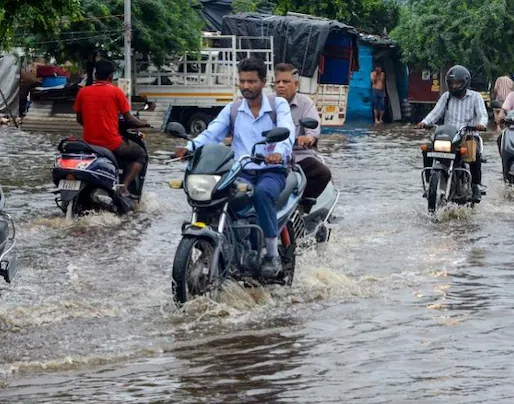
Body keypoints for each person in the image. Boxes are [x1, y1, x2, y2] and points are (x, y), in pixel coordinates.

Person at [174, 57, 296, 278]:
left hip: (271, 170)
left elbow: (287, 131)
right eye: (242, 81)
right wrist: (189, 147)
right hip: (241, 170)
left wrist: (278, 152)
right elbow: (212, 133)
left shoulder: (279, 105)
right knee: (216, 195)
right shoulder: (234, 109)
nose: (246, 86)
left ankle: (270, 255)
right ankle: (225, 243)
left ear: (263, 82)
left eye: (252, 82)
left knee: (261, 193)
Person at [73, 59, 150, 202]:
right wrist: (144, 124)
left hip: (89, 143)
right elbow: (130, 120)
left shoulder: (83, 92)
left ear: (95, 75)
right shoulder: (116, 92)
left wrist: (93, 125)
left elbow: (79, 119)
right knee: (140, 154)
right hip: (111, 143)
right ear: (111, 76)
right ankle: (124, 186)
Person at [416, 65, 489, 202]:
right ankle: (429, 182)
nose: (454, 86)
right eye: (452, 83)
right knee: (427, 149)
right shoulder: (446, 96)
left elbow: (482, 115)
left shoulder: (475, 97)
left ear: (465, 82)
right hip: (448, 136)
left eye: (458, 83)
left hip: (468, 135)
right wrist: (424, 122)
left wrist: (481, 124)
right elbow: (435, 113)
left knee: (474, 153)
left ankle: (475, 186)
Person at [272, 63, 332, 202]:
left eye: (286, 82)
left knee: (323, 173)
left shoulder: (305, 103)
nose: (281, 85)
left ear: (296, 84)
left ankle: (303, 206)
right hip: (270, 156)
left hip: (298, 156)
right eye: (278, 82)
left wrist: (308, 138)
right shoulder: (266, 102)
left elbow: (313, 130)